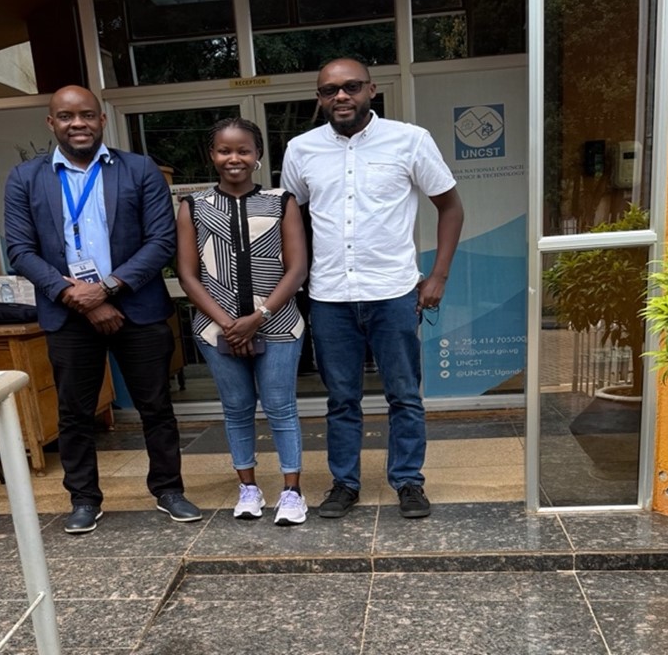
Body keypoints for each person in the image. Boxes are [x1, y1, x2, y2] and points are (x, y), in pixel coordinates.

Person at [4, 85, 202, 534]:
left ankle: (169, 490)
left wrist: (106, 289)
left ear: (102, 120)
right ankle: (83, 499)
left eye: (87, 115)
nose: (78, 123)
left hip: (137, 308)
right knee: (75, 412)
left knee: (156, 407)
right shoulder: (25, 178)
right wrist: (72, 294)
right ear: (51, 123)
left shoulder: (140, 169)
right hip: (68, 312)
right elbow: (20, 249)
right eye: (67, 116)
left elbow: (161, 241)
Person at [281, 58, 464, 519]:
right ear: (319, 98)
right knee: (341, 399)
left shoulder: (410, 140)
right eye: (330, 90)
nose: (341, 96)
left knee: (404, 394)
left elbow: (450, 207)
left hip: (393, 293)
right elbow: (291, 219)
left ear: (371, 90)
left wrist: (438, 276)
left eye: (351, 87)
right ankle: (344, 483)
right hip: (329, 297)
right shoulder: (301, 150)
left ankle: (408, 481)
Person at [176, 117, 309, 525]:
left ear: (257, 155)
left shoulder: (281, 201)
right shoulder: (194, 206)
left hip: (279, 325)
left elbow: (297, 268)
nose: (234, 158)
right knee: (236, 408)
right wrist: (230, 324)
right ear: (212, 155)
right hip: (215, 329)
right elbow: (187, 275)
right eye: (224, 150)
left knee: (281, 407)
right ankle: (248, 489)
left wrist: (258, 316)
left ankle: (292, 492)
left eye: (243, 150)